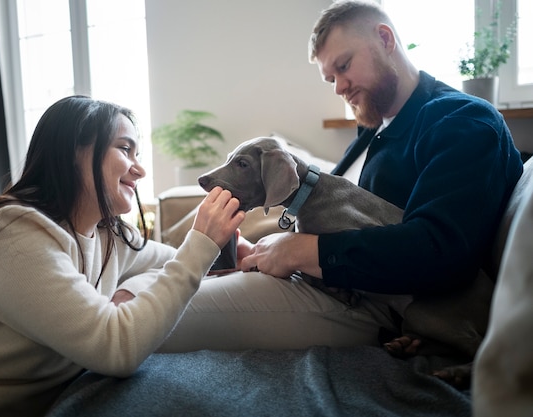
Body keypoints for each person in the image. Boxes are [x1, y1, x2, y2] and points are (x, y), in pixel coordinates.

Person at [157, 0, 523, 353]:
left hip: (370, 301)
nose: (338, 87)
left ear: (385, 39)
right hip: (322, 278)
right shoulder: (374, 131)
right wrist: (269, 251)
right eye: (330, 78)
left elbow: (441, 252)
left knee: (156, 313)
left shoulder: (461, 122)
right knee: (154, 284)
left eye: (344, 66)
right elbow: (332, 217)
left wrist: (304, 251)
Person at [0, 96, 245, 417]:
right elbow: (117, 349)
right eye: (125, 148)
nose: (139, 170)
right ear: (73, 152)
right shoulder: (9, 231)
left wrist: (231, 252)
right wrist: (201, 242)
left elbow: (172, 261)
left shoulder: (108, 236)